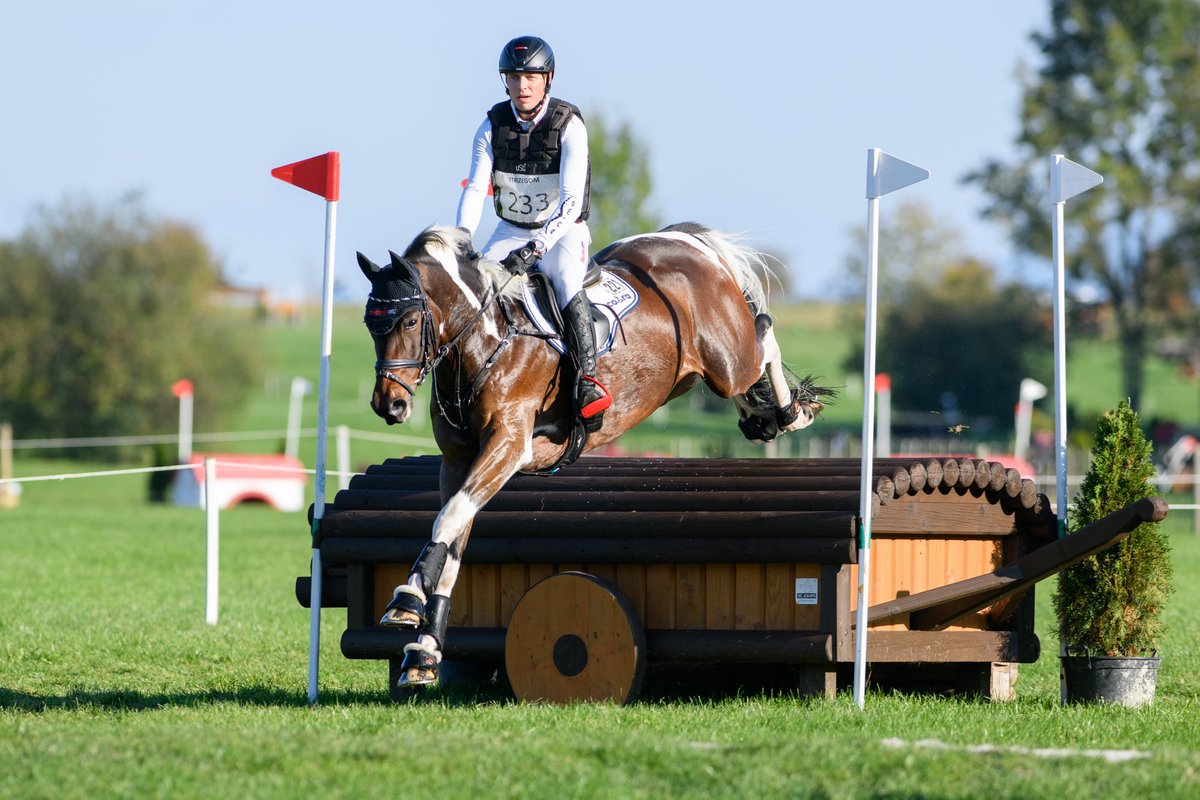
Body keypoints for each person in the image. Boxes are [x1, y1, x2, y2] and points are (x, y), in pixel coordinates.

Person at [456, 35, 611, 428]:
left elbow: (572, 200)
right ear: (504, 81)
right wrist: (461, 238)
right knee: (474, 288)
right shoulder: (490, 127)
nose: (522, 86)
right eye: (513, 77)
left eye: (531, 77)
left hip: (562, 232)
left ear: (548, 79)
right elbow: (476, 188)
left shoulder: (569, 125)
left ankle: (588, 380)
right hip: (510, 228)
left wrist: (539, 245)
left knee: (564, 280)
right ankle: (465, 382)